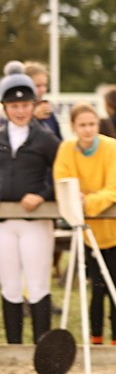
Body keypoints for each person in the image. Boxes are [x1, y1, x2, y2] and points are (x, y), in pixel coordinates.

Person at [53, 103, 116, 346]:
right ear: (73, 127)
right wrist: (79, 199)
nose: (88, 130)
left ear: (98, 124)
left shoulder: (110, 146)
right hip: (87, 234)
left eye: (92, 124)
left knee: (115, 288)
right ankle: (95, 340)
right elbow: (63, 183)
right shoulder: (66, 148)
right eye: (82, 125)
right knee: (96, 289)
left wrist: (87, 201)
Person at [0, 62, 58, 344]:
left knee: (37, 284)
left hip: (35, 220)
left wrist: (43, 195)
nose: (20, 110)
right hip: (3, 221)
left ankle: (41, 346)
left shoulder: (46, 139)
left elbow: (62, 174)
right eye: (13, 105)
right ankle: (13, 347)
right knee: (9, 285)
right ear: (5, 107)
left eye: (25, 104)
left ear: (33, 105)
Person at [23, 62, 61, 139]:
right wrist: (32, 118)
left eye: (45, 85)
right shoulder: (9, 112)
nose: (43, 90)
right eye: (37, 86)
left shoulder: (47, 111)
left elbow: (59, 142)